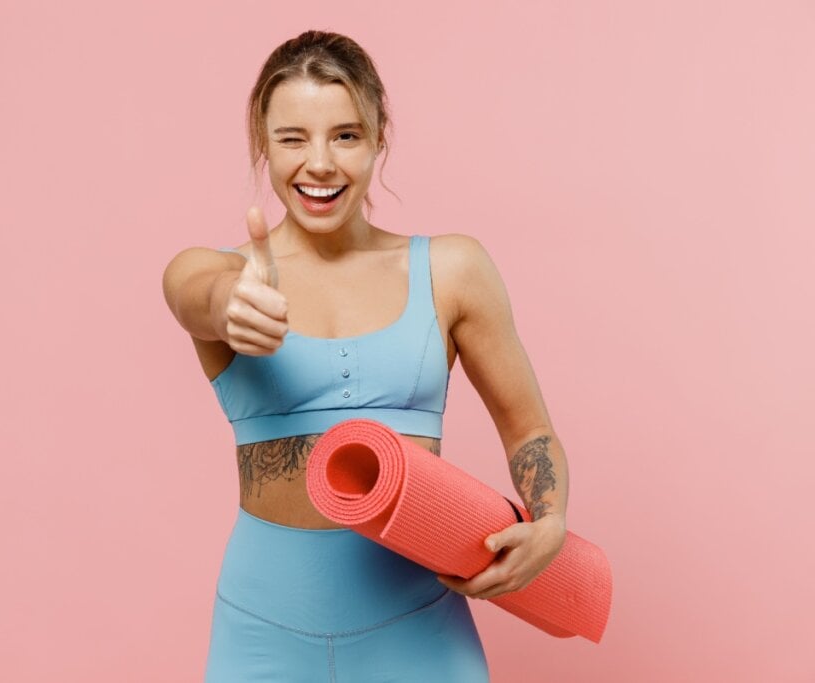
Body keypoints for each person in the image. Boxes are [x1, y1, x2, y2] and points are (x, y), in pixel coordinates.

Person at [162, 29, 569, 683]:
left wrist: (548, 523)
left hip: (420, 632)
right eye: (293, 138)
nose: (319, 163)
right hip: (263, 638)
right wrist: (228, 302)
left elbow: (530, 430)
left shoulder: (452, 270)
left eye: (345, 135)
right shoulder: (220, 273)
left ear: (381, 136)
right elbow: (190, 293)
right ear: (262, 144)